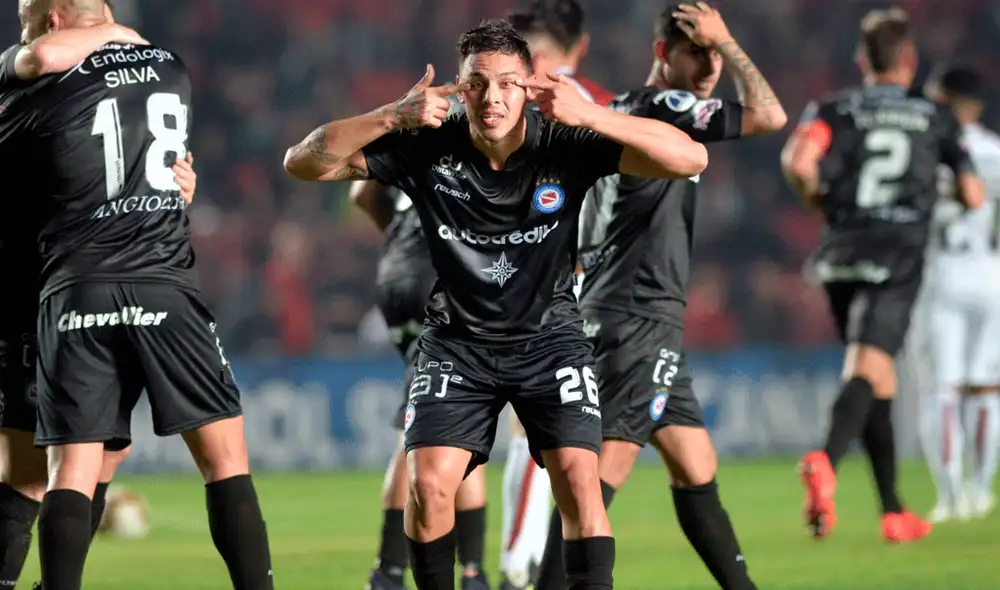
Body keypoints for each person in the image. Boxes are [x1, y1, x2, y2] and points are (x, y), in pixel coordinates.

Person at [284, 19, 707, 590]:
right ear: (460, 88)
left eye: (508, 84)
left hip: (551, 339)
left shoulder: (566, 142)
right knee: (429, 484)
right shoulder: (425, 145)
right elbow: (302, 162)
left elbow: (690, 158)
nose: (493, 98)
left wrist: (591, 114)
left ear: (529, 86)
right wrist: (392, 114)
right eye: (478, 84)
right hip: (457, 344)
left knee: (581, 480)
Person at [0, 1, 274, 588]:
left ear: (54, 18)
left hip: (68, 285)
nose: (19, 27)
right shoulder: (168, 67)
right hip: (137, 281)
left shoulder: (35, 84)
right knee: (32, 469)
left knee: (73, 462)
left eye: (26, 12)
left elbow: (40, 59)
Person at [534, 3, 786, 589]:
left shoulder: (617, 114)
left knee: (695, 465)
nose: (709, 65)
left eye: (716, 54)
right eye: (697, 51)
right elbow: (771, 115)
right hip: (638, 315)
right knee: (597, 480)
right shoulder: (665, 108)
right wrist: (730, 37)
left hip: (617, 309)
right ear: (661, 55)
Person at [0, 23, 196, 589]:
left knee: (105, 453)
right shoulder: (23, 90)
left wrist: (169, 188)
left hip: (82, 295)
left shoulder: (85, 99)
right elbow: (38, 57)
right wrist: (119, 30)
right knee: (30, 471)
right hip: (28, 299)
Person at [781, 7, 984, 542]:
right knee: (868, 368)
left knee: (878, 376)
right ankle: (825, 459)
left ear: (862, 60)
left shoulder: (835, 107)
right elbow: (973, 193)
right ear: (909, 59)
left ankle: (893, 509)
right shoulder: (933, 115)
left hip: (841, 251)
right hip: (896, 254)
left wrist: (818, 199)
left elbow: (800, 162)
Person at [500, 4, 613, 587]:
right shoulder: (604, 102)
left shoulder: (519, 102)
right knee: (574, 435)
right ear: (582, 44)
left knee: (536, 428)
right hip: (609, 281)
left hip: (545, 282)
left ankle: (521, 558)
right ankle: (536, 560)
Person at [352, 178, 489, 590]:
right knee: (463, 414)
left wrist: (399, 231)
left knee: (432, 419)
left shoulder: (412, 123)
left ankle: (393, 571)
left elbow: (360, 192)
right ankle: (464, 573)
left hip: (396, 274)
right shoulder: (484, 130)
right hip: (439, 273)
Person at [918, 64, 1000, 522]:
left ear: (945, 99)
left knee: (942, 391)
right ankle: (981, 490)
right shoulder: (995, 151)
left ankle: (949, 498)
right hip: (992, 274)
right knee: (987, 390)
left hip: (942, 273)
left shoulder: (930, 148)